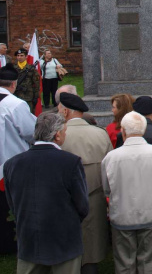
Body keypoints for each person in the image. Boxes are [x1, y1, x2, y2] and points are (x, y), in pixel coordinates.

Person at [4, 112, 89, 274]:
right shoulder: (70, 162)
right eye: (64, 131)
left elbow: (13, 203)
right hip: (64, 241)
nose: (65, 135)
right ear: (57, 135)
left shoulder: (12, 164)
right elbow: (82, 206)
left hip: (29, 238)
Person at [102, 111, 152, 274]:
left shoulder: (111, 158)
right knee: (151, 262)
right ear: (144, 130)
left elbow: (106, 189)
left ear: (123, 132)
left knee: (124, 263)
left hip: (122, 216)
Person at [60, 92, 112, 274]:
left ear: (65, 111)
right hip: (95, 194)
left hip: (64, 198)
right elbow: (109, 168)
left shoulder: (59, 135)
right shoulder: (100, 134)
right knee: (92, 240)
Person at [0, 63, 36, 255]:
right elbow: (32, 132)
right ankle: (15, 242)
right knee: (17, 208)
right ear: (14, 84)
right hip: (12, 164)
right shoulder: (16, 105)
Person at [14, 48, 40, 113]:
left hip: (28, 97)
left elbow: (37, 84)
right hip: (16, 96)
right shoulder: (13, 69)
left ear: (26, 57)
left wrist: (35, 97)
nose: (19, 57)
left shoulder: (31, 69)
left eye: (21, 55)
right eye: (18, 55)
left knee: (29, 115)